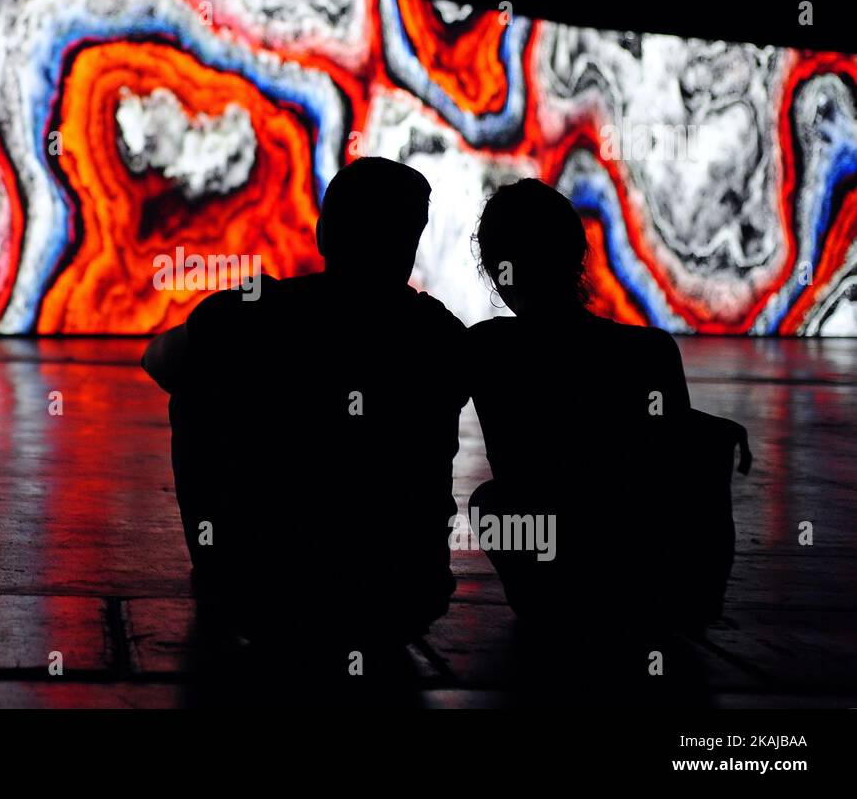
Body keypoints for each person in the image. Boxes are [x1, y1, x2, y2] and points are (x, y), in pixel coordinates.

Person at [142, 158, 467, 660]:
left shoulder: (253, 310)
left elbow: (159, 361)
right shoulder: (439, 334)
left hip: (260, 599)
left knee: (194, 389)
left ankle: (219, 562)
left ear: (323, 231)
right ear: (410, 243)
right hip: (402, 603)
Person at [466, 179, 750, 631]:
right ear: (578, 255)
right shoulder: (650, 350)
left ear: (496, 267)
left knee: (490, 503)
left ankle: (562, 614)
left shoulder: (486, 349)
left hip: (556, 583)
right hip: (655, 586)